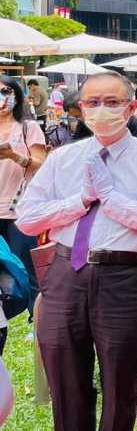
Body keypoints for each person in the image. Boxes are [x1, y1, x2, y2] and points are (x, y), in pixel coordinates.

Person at [18, 72, 137, 431]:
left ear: (131, 107)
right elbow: (27, 218)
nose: (101, 110)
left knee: (121, 383)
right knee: (65, 381)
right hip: (65, 273)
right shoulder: (64, 159)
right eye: (92, 102)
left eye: (112, 102)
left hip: (121, 276)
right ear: (80, 109)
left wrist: (112, 198)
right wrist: (79, 201)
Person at [0, 76, 46, 309]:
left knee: (27, 268)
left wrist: (14, 156)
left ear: (16, 95)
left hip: (19, 209)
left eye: (5, 91)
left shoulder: (28, 127)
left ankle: (37, 319)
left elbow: (40, 163)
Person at [66, 90, 137, 150]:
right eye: (76, 117)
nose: (78, 120)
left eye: (78, 116)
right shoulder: (85, 122)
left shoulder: (119, 118)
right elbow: (75, 143)